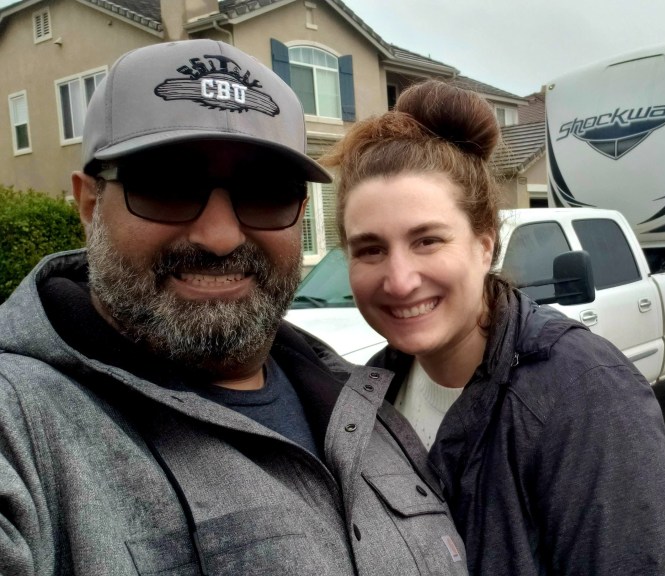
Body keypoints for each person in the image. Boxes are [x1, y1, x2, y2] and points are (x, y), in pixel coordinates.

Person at [0, 40, 468, 575]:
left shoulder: (366, 403)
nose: (220, 237)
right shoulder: (20, 428)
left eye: (265, 192)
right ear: (89, 204)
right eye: (168, 185)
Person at [321, 80, 665, 575]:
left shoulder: (586, 394)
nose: (399, 281)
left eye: (427, 241)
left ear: (484, 244)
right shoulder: (372, 395)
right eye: (370, 249)